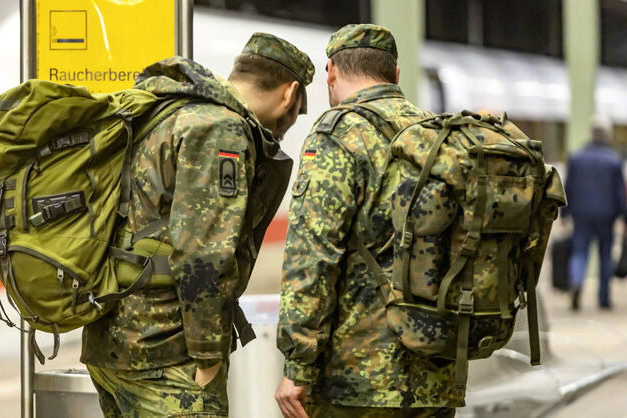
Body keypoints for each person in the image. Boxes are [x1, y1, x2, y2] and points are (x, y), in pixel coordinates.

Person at [81, 33, 315, 417]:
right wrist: (207, 358)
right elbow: (204, 254)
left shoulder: (167, 111)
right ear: (289, 95)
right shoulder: (221, 129)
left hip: (111, 340)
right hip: (165, 353)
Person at [276, 24, 463, 418]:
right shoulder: (438, 133)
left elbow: (312, 253)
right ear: (395, 75)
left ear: (330, 72)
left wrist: (298, 365)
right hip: (436, 374)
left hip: (357, 382)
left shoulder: (338, 133)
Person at [562, 115, 627, 311]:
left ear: (591, 133)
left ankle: (576, 282)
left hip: (581, 214)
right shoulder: (614, 160)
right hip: (607, 216)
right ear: (607, 135)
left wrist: (564, 214)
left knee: (579, 252)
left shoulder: (576, 157)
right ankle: (603, 298)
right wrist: (626, 218)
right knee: (605, 256)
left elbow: (569, 188)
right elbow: (620, 193)